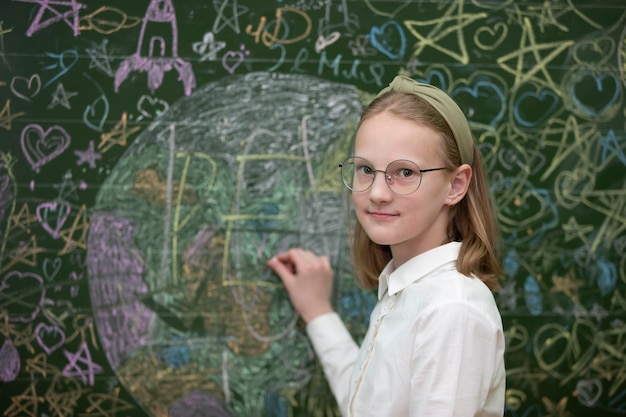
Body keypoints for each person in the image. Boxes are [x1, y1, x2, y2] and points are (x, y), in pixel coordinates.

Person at [267, 75, 506, 417]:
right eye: (366, 169)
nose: (377, 192)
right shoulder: (407, 290)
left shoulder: (451, 309)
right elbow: (364, 404)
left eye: (405, 172)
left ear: (455, 185)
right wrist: (319, 313)